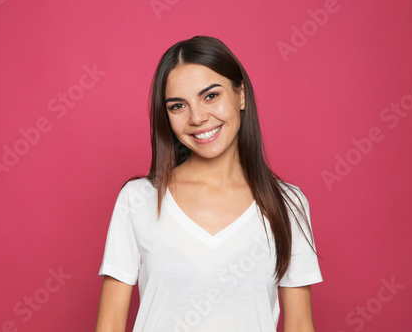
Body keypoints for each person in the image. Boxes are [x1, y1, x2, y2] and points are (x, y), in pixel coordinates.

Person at [95, 35, 323, 332]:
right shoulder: (139, 199)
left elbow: (300, 324)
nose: (198, 117)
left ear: (240, 95)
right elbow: (109, 325)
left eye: (211, 96)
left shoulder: (287, 203)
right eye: (178, 106)